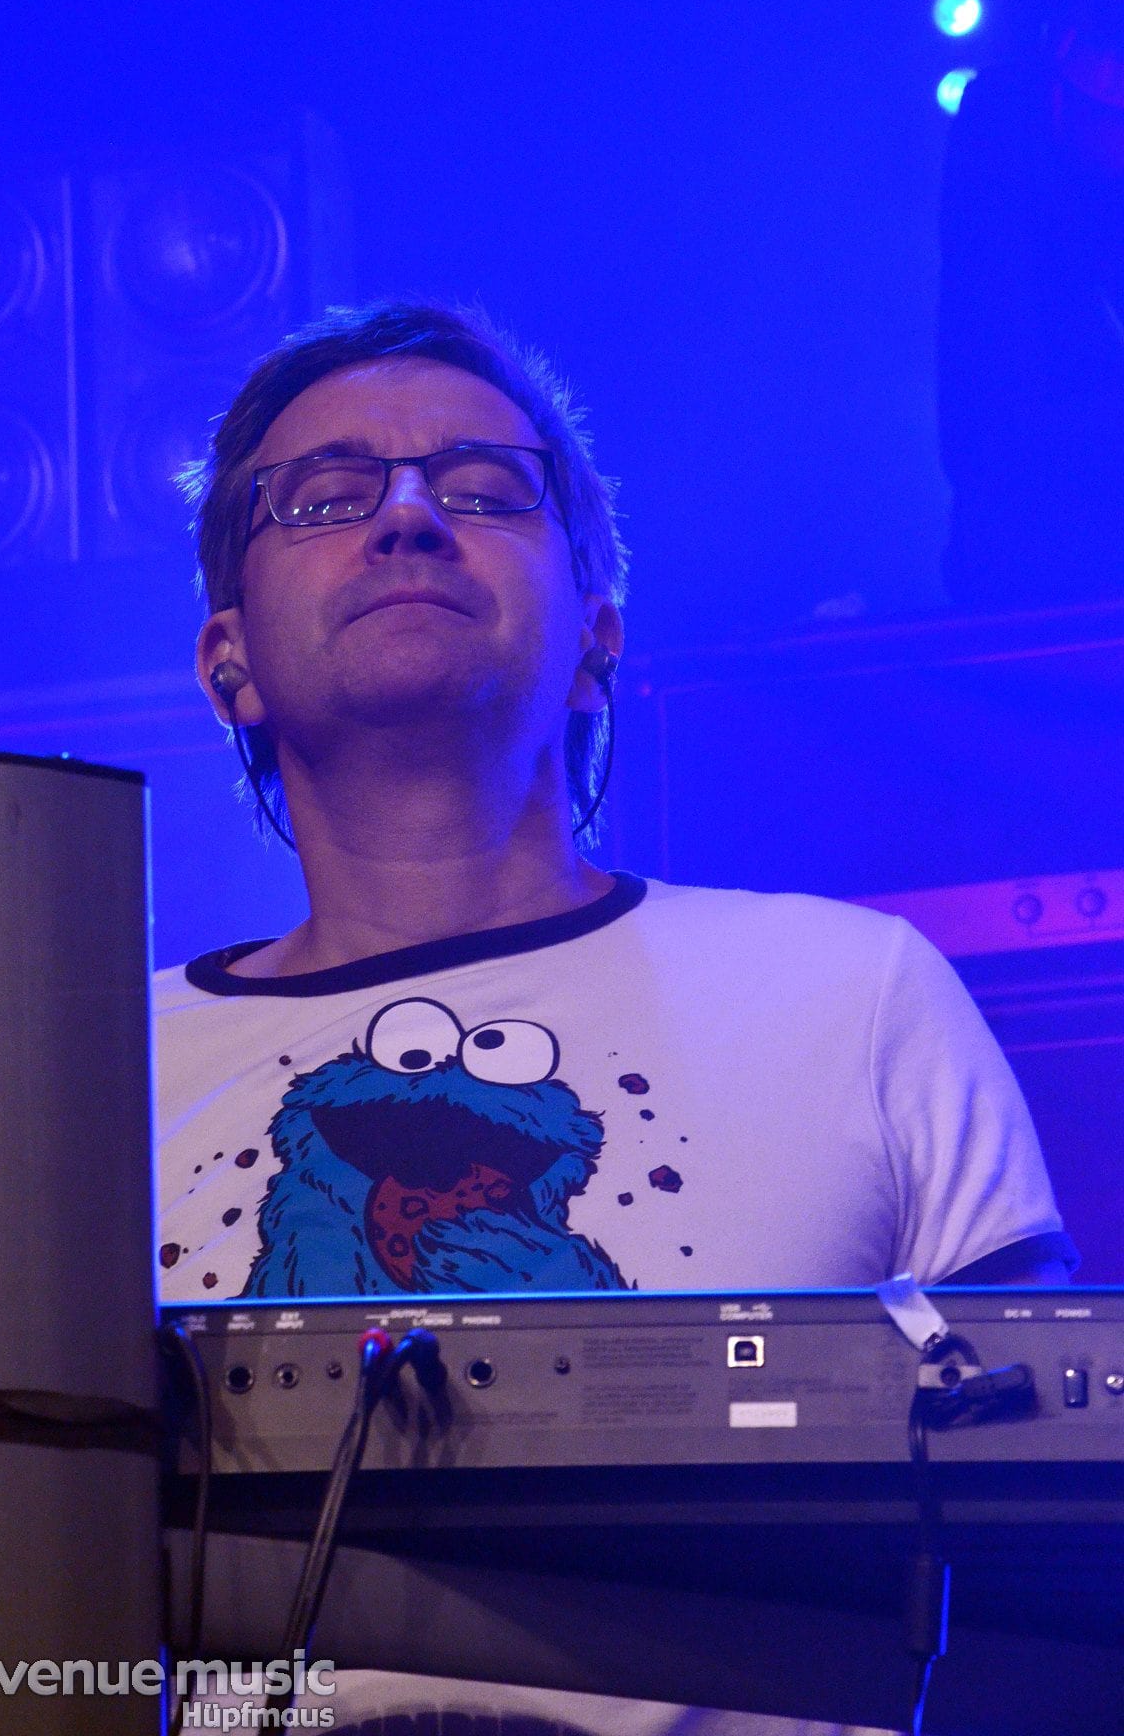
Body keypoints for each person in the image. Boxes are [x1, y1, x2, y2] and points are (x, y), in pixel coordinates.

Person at [155, 298, 1075, 1736]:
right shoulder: (84, 1074)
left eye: (483, 489)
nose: (408, 519)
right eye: (327, 497)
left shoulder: (852, 993)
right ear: (230, 665)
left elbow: (1043, 1581)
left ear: (596, 637)